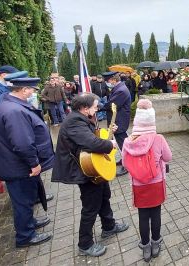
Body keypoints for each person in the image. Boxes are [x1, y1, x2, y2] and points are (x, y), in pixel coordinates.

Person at [51, 93, 129, 256]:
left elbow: (92, 136)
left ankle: (109, 226)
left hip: (93, 166)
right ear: (84, 108)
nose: (97, 108)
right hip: (84, 169)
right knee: (90, 206)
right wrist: (110, 144)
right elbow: (91, 142)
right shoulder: (74, 121)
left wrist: (108, 132)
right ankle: (85, 244)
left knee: (104, 196)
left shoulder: (81, 118)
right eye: (95, 106)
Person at [0, 77, 54, 248]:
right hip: (19, 166)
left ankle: (29, 223)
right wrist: (34, 163)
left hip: (14, 163)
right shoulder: (14, 111)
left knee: (25, 199)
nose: (33, 93)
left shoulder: (7, 103)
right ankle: (25, 236)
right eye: (32, 90)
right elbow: (22, 143)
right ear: (23, 90)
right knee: (22, 201)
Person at [121, 99, 172, 262]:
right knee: (155, 214)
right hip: (156, 183)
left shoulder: (128, 141)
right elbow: (168, 157)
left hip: (138, 185)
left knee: (143, 216)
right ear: (151, 120)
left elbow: (124, 163)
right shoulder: (158, 139)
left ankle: (145, 247)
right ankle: (156, 243)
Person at [103, 72, 132, 176]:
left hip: (119, 121)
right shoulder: (119, 87)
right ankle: (124, 160)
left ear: (113, 80)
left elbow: (112, 104)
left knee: (122, 144)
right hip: (118, 120)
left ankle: (127, 165)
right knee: (122, 143)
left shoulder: (121, 90)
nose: (107, 83)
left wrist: (99, 106)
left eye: (107, 81)